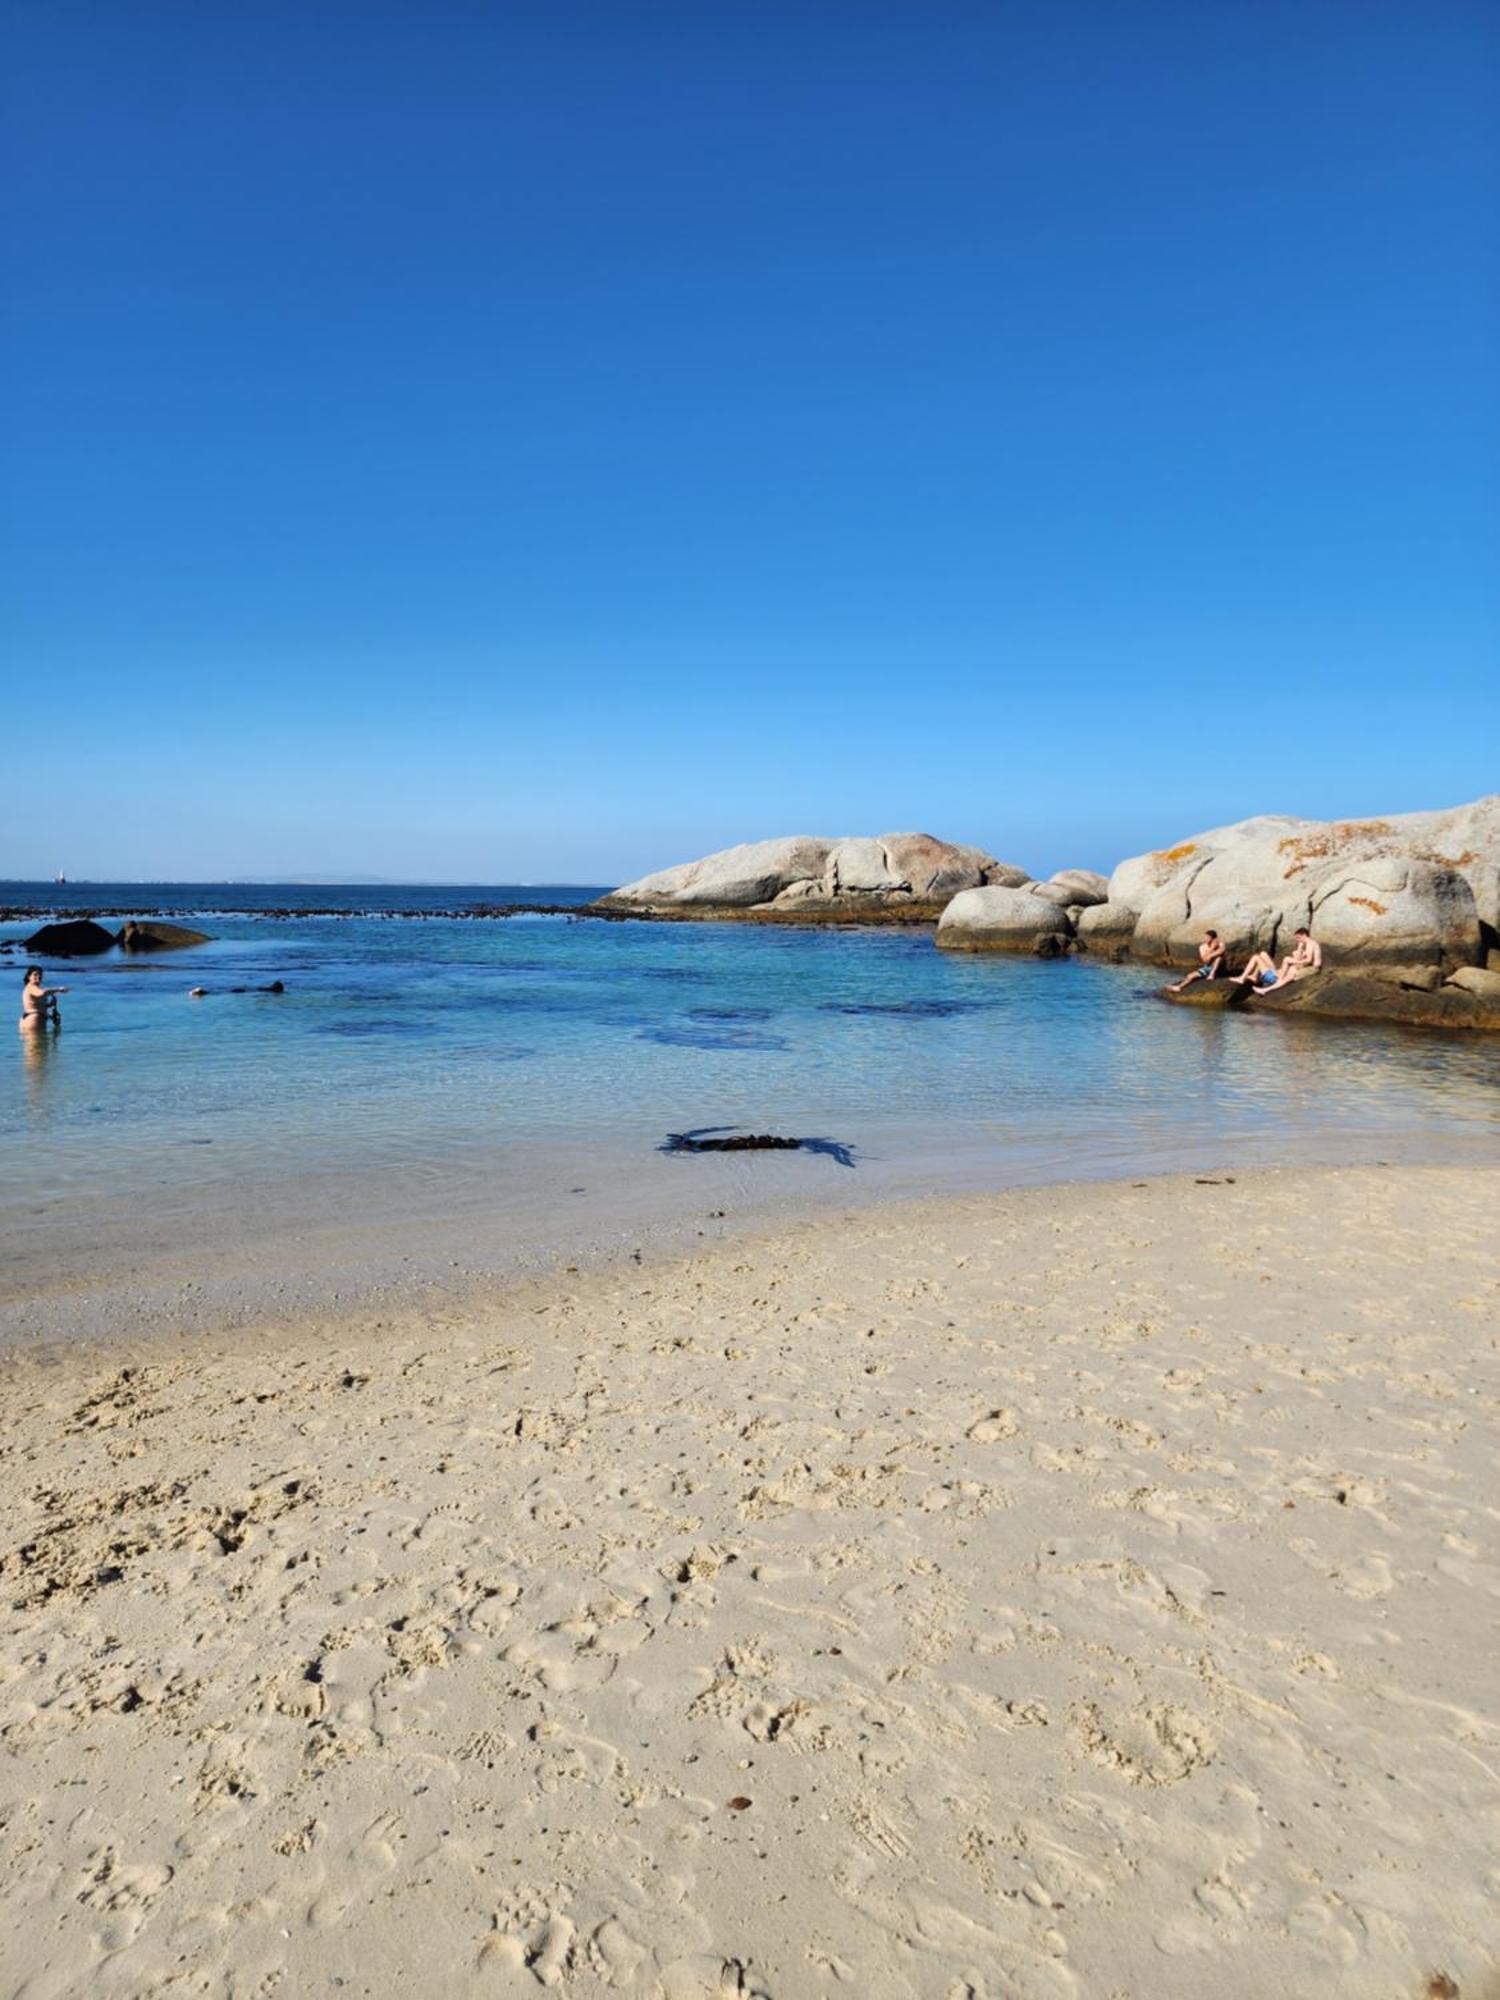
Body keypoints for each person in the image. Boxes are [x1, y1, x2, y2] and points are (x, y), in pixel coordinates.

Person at [1258, 927, 1322, 993]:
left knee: (1289, 976)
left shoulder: (1310, 943)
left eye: (1298, 938)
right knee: (1290, 967)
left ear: (1304, 935)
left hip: (1313, 968)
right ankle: (1277, 979)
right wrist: (1300, 949)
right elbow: (1303, 958)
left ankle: (1265, 990)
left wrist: (1297, 962)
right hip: (1310, 967)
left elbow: (1309, 960)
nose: (1298, 940)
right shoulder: (1309, 944)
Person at [19, 966, 67, 1033]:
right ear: (29, 977)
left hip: (28, 1018)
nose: (38, 976)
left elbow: (36, 1005)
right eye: (35, 974)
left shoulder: (30, 988)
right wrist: (59, 990)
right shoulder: (31, 987)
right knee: (38, 1043)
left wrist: (50, 1004)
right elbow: (43, 993)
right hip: (34, 1019)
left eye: (40, 975)